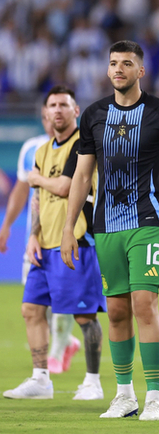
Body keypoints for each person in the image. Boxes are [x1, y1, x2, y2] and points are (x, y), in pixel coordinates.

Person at [61, 40, 159, 421]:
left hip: (147, 222)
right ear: (107, 70)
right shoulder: (92, 116)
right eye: (113, 64)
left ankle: (154, 395)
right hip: (105, 227)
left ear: (141, 71)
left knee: (143, 304)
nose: (118, 69)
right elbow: (82, 176)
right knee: (117, 311)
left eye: (127, 64)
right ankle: (125, 395)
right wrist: (69, 228)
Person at [3, 86, 106, 401]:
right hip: (43, 244)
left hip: (76, 242)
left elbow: (64, 186)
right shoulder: (42, 150)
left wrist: (37, 179)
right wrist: (32, 234)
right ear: (46, 113)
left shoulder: (83, 145)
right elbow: (38, 197)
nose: (58, 110)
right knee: (31, 309)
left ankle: (92, 382)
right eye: (52, 105)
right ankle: (41, 379)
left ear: (76, 111)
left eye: (64, 104)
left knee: (85, 316)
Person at [0, 113, 82, 374]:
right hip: (35, 240)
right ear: (44, 118)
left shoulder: (80, 145)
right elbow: (21, 192)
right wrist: (7, 225)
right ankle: (66, 342)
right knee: (37, 304)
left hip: (69, 237)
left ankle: (55, 354)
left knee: (63, 299)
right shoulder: (31, 149)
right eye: (49, 112)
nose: (53, 118)